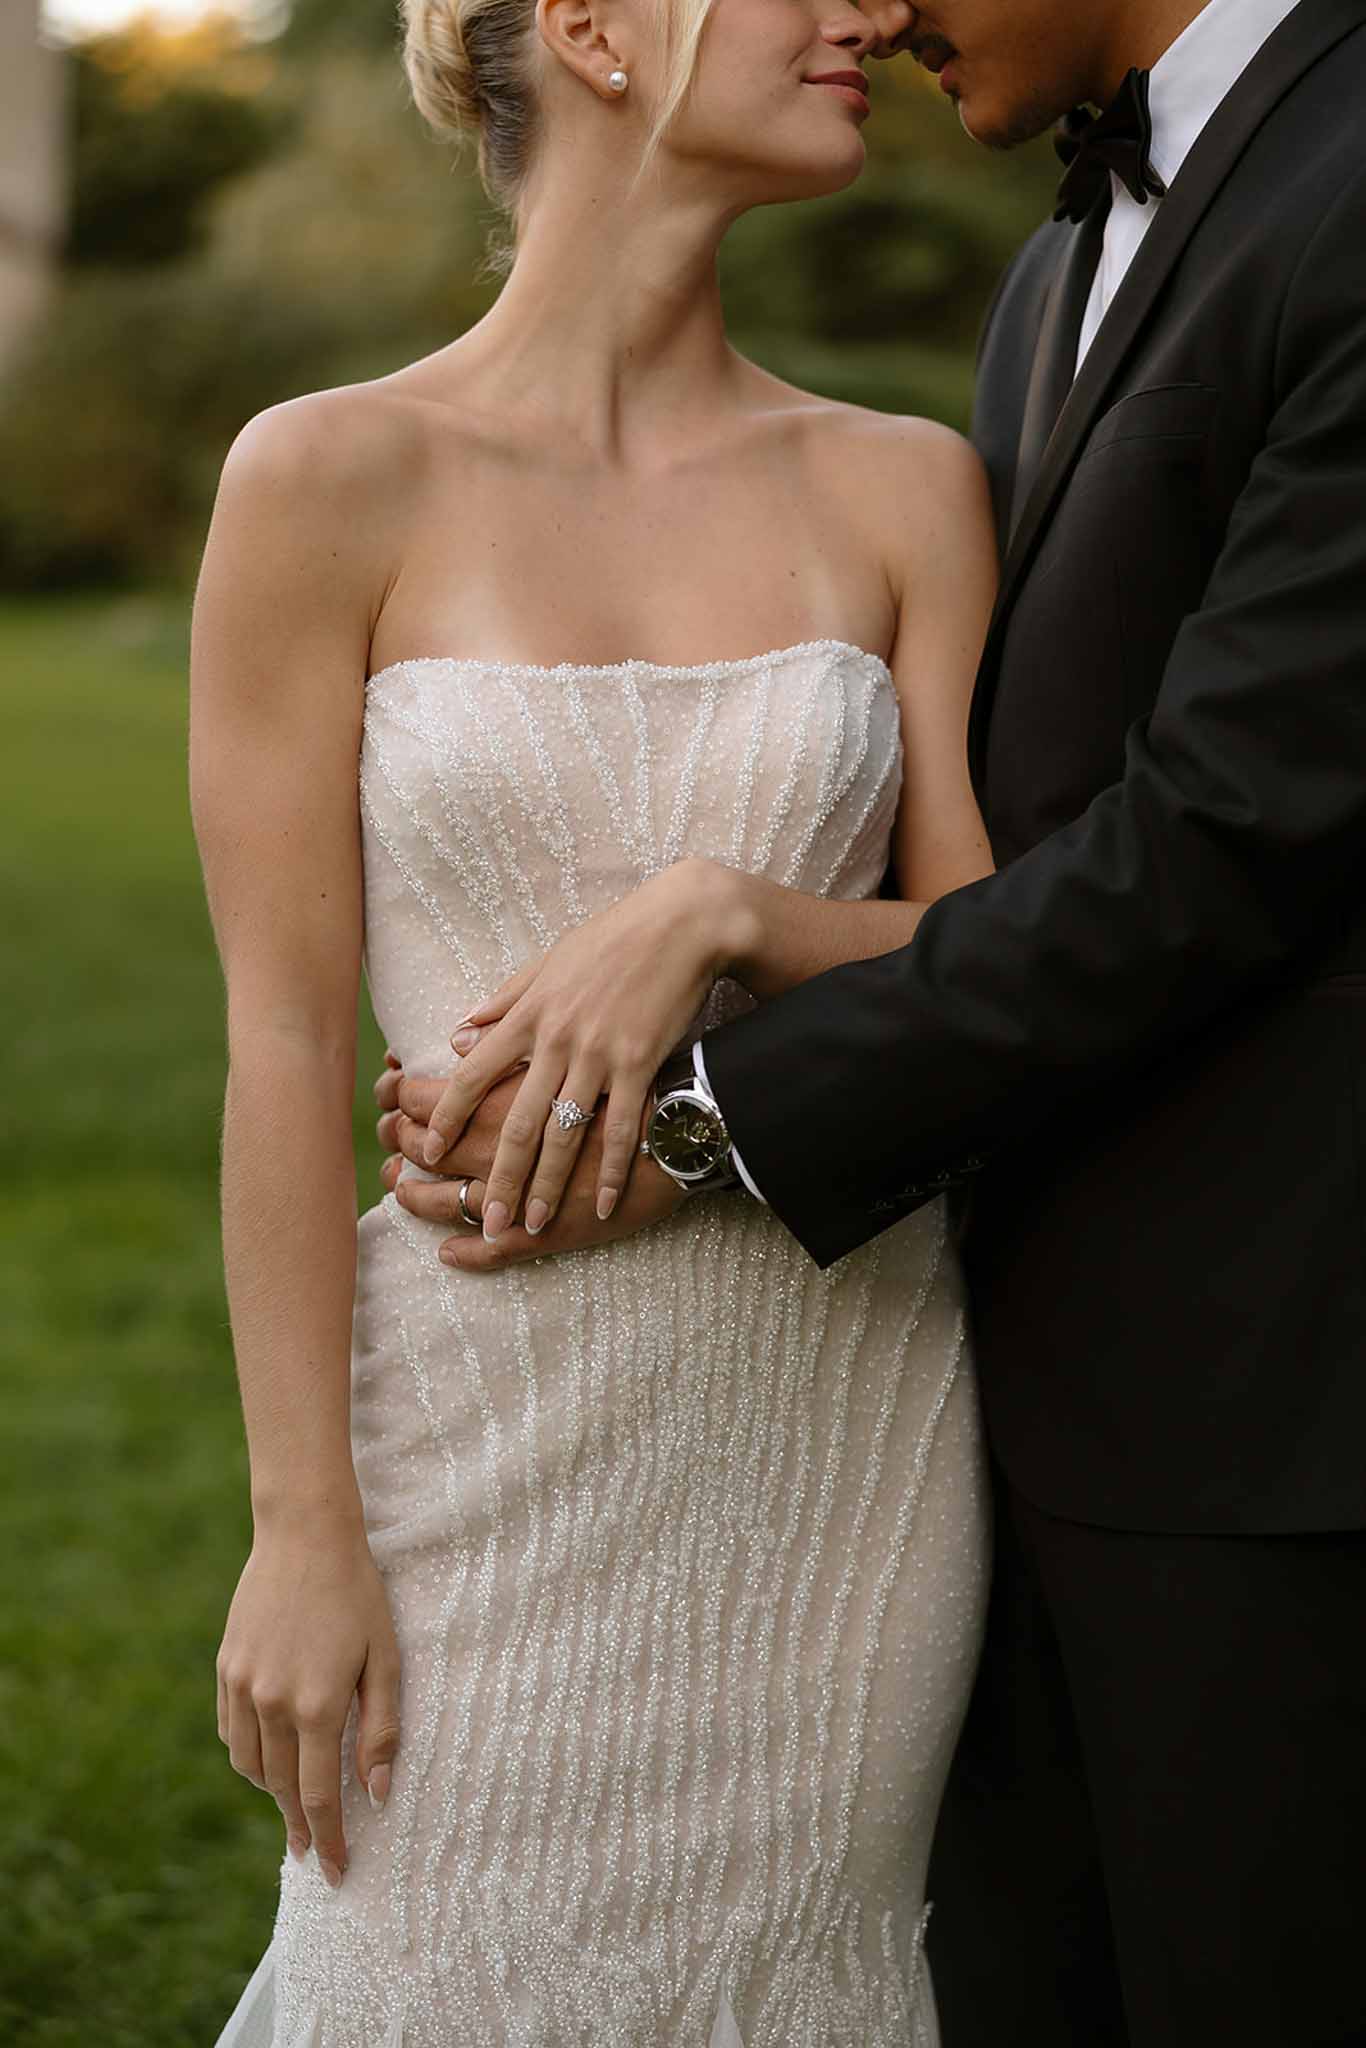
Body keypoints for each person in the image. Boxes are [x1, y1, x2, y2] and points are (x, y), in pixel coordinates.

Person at [379, 0, 1366, 2042]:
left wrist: (687, 1086)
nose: (874, 6)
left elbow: (1223, 837)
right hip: (988, 1397)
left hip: (1278, 1409)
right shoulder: (1048, 266)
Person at [197, 0, 1003, 2035]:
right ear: (585, 28)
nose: (866, 17)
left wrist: (716, 910)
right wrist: (301, 1532)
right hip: (468, 1433)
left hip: (839, 1432)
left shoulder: (905, 485)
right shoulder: (324, 477)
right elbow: (284, 1047)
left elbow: (998, 963)